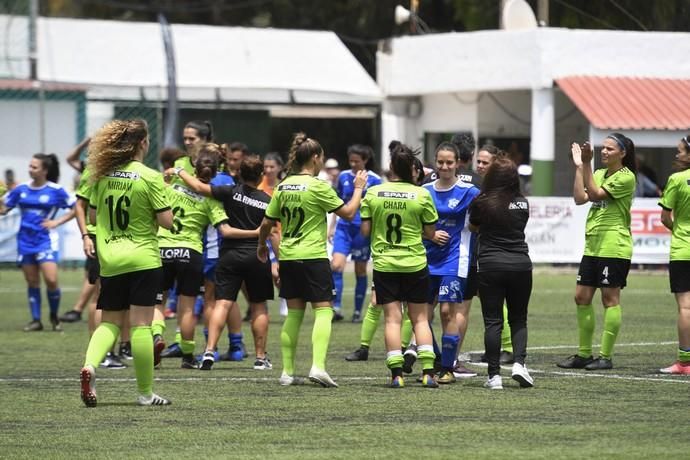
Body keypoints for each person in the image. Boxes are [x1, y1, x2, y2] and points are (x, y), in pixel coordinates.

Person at [257, 132, 366, 387]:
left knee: (294, 315)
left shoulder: (283, 186)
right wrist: (359, 188)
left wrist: (262, 245)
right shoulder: (319, 187)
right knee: (324, 311)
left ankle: (287, 372)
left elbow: (266, 223)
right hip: (313, 257)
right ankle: (317, 366)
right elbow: (349, 213)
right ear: (316, 158)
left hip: (289, 257)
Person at [79, 118, 173, 407]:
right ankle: (145, 393)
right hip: (143, 258)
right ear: (143, 143)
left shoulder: (102, 176)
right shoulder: (150, 176)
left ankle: (90, 365)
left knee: (110, 323)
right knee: (142, 326)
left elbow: (94, 218)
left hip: (111, 260)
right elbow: (166, 222)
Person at [170, 155, 274, 371]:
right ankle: (261, 358)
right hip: (257, 255)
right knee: (258, 306)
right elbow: (272, 233)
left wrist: (179, 171)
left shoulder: (229, 191)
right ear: (261, 175)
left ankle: (209, 350)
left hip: (229, 255)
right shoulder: (267, 200)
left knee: (222, 303)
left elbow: (199, 187)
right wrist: (278, 261)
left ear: (240, 174)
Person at [360, 142, 439, 388]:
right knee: (420, 320)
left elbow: (365, 231)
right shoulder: (422, 194)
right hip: (415, 263)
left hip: (385, 264)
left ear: (391, 167)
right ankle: (427, 372)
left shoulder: (374, 193)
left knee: (392, 320)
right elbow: (430, 231)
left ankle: (396, 375)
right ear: (413, 170)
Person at [557, 133, 637, 371]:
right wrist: (580, 167)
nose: (604, 151)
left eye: (610, 149)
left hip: (614, 246)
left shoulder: (626, 177)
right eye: (603, 148)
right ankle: (583, 354)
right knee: (581, 297)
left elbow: (594, 194)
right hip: (593, 245)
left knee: (609, 299)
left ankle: (605, 356)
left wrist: (587, 163)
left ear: (622, 153)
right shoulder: (600, 173)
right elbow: (580, 198)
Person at [155, 146, 231, 369]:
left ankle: (156, 336)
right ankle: (188, 357)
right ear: (215, 173)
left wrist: (168, 176)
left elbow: (155, 202)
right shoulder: (212, 199)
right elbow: (223, 228)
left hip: (162, 249)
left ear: (194, 168)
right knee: (187, 308)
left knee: (157, 302)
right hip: (190, 253)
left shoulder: (172, 188)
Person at [469, 156, 534, 390]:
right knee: (519, 318)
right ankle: (519, 364)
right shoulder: (522, 202)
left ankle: (494, 376)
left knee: (493, 322)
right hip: (520, 265)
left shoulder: (482, 201)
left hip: (490, 265)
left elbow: (473, 226)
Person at [422, 142, 480, 384]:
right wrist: (430, 234)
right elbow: (415, 223)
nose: (444, 166)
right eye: (441, 162)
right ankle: (437, 358)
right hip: (425, 259)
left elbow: (482, 217)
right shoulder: (424, 191)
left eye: (449, 162)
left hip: (455, 258)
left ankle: (448, 367)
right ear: (435, 162)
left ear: (458, 164)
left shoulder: (469, 191)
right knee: (422, 316)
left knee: (447, 312)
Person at [0, 153, 75, 332]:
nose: (30, 169)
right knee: (32, 281)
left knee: (51, 280)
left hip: (45, 241)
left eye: (34, 167)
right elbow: (3, 210)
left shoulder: (56, 190)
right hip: (25, 241)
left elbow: (77, 208)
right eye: (30, 166)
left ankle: (54, 315)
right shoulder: (21, 189)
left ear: (45, 171)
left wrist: (56, 222)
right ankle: (36, 320)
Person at [329, 144, 382, 322]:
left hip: (362, 230)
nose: (352, 164)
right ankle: (336, 307)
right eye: (350, 160)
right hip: (344, 227)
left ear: (365, 160)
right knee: (336, 266)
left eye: (356, 161)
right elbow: (338, 203)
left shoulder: (374, 179)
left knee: (360, 270)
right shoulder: (343, 176)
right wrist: (331, 227)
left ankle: (358, 311)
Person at [658, 135, 690, 375]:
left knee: (686, 308)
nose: (677, 155)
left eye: (680, 151)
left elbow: (665, 217)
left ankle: (685, 363)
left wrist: (677, 229)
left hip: (683, 250)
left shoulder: (677, 179)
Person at [258, 152, 288, 318]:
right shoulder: (258, 187)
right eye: (266, 167)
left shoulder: (283, 187)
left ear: (279, 168)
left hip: (282, 234)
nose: (268, 170)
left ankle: (284, 295)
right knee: (273, 272)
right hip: (264, 235)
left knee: (279, 272)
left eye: (272, 167)